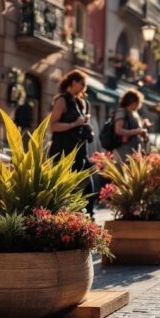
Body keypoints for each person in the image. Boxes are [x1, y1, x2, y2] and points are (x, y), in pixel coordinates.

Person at [49, 70, 95, 217]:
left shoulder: (81, 102)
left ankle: (86, 218)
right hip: (64, 151)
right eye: (82, 84)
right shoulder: (61, 100)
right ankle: (68, 219)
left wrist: (87, 127)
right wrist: (75, 123)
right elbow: (53, 125)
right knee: (68, 189)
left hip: (80, 151)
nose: (84, 88)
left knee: (88, 188)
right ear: (73, 82)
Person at [114, 88, 150, 159]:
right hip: (124, 150)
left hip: (134, 149)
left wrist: (142, 125)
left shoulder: (134, 113)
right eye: (138, 102)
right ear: (132, 101)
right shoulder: (122, 112)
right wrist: (137, 131)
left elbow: (132, 126)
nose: (139, 105)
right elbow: (118, 130)